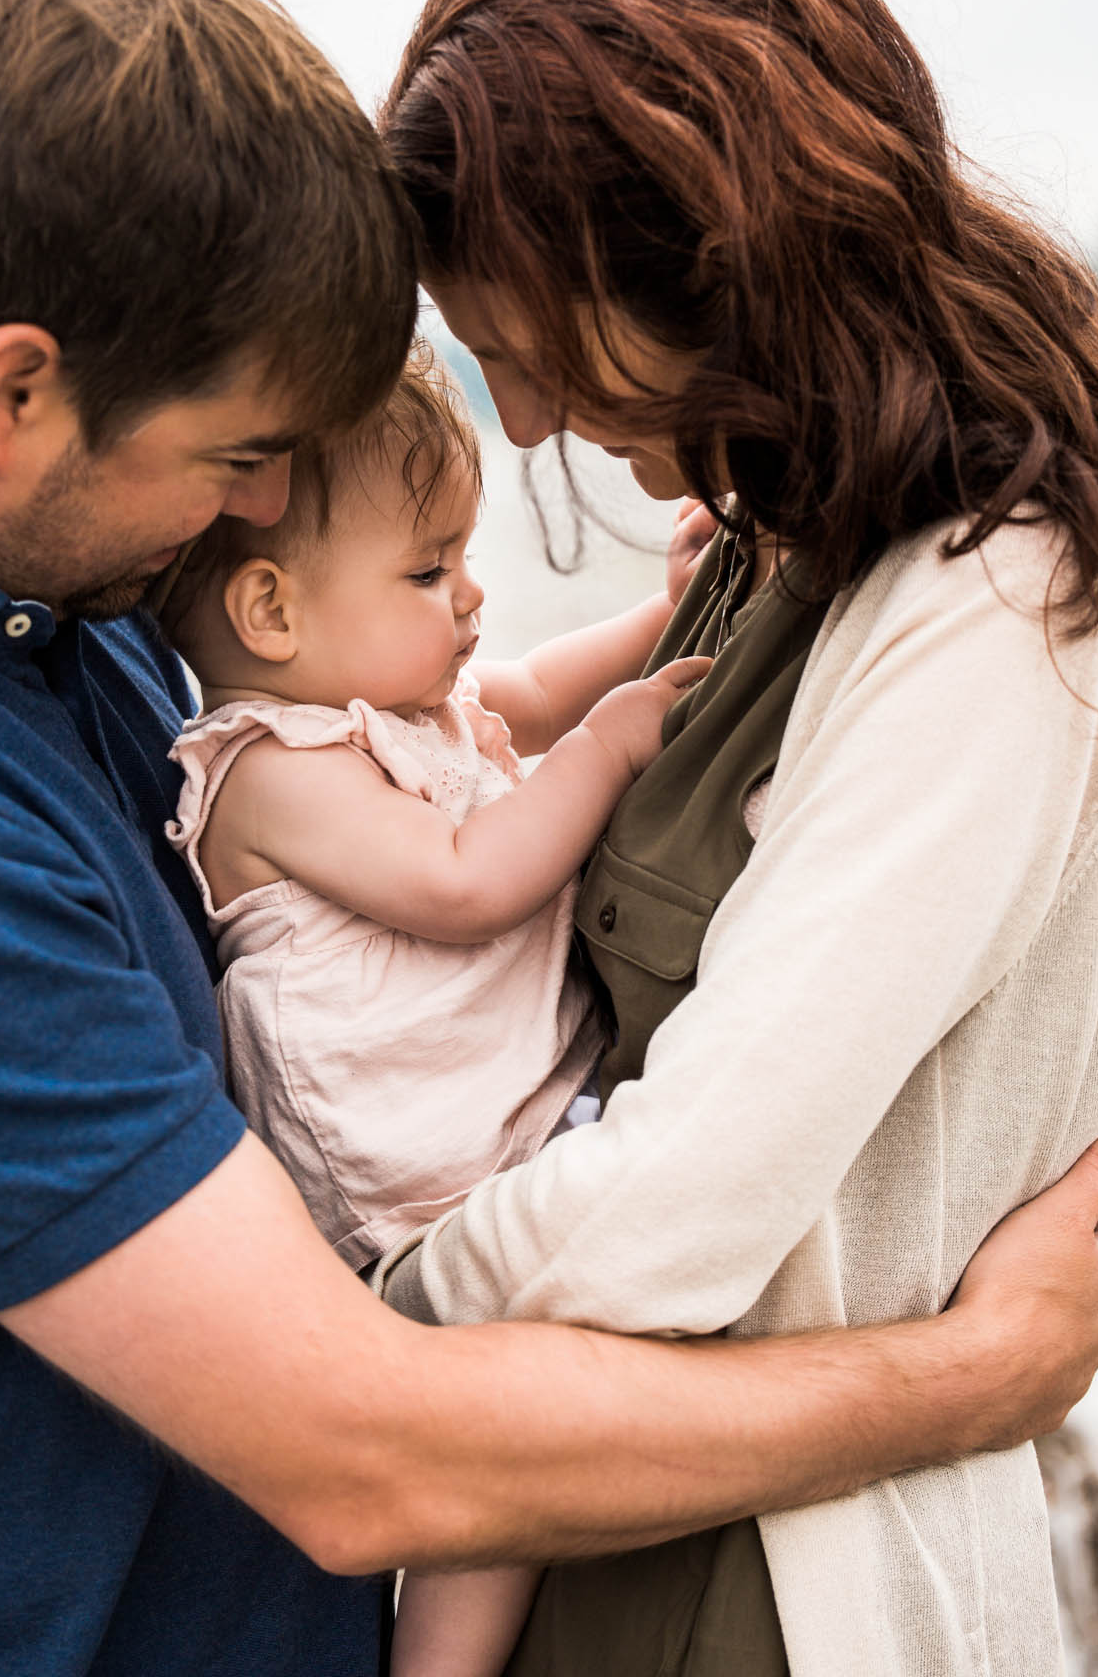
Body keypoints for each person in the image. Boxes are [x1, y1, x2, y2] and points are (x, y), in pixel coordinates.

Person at [0, 0, 1098, 1677]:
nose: (260, 522)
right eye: (238, 460)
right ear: (12, 392)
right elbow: (359, 1446)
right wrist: (969, 1382)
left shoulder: (81, 629)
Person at [375, 0, 1098, 1676]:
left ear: (699, 264)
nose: (519, 426)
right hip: (609, 1520)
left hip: (759, 1586)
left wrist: (333, 1337)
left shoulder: (1001, 604)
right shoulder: (782, 550)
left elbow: (678, 1205)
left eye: (526, 350)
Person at [157, 341, 710, 1675]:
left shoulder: (401, 704)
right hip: (414, 1181)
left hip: (500, 1126)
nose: (471, 597)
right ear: (271, 611)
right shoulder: (266, 774)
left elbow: (520, 694)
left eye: (463, 555)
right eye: (426, 571)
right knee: (498, 1457)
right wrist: (614, 745)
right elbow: (466, 883)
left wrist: (666, 617)